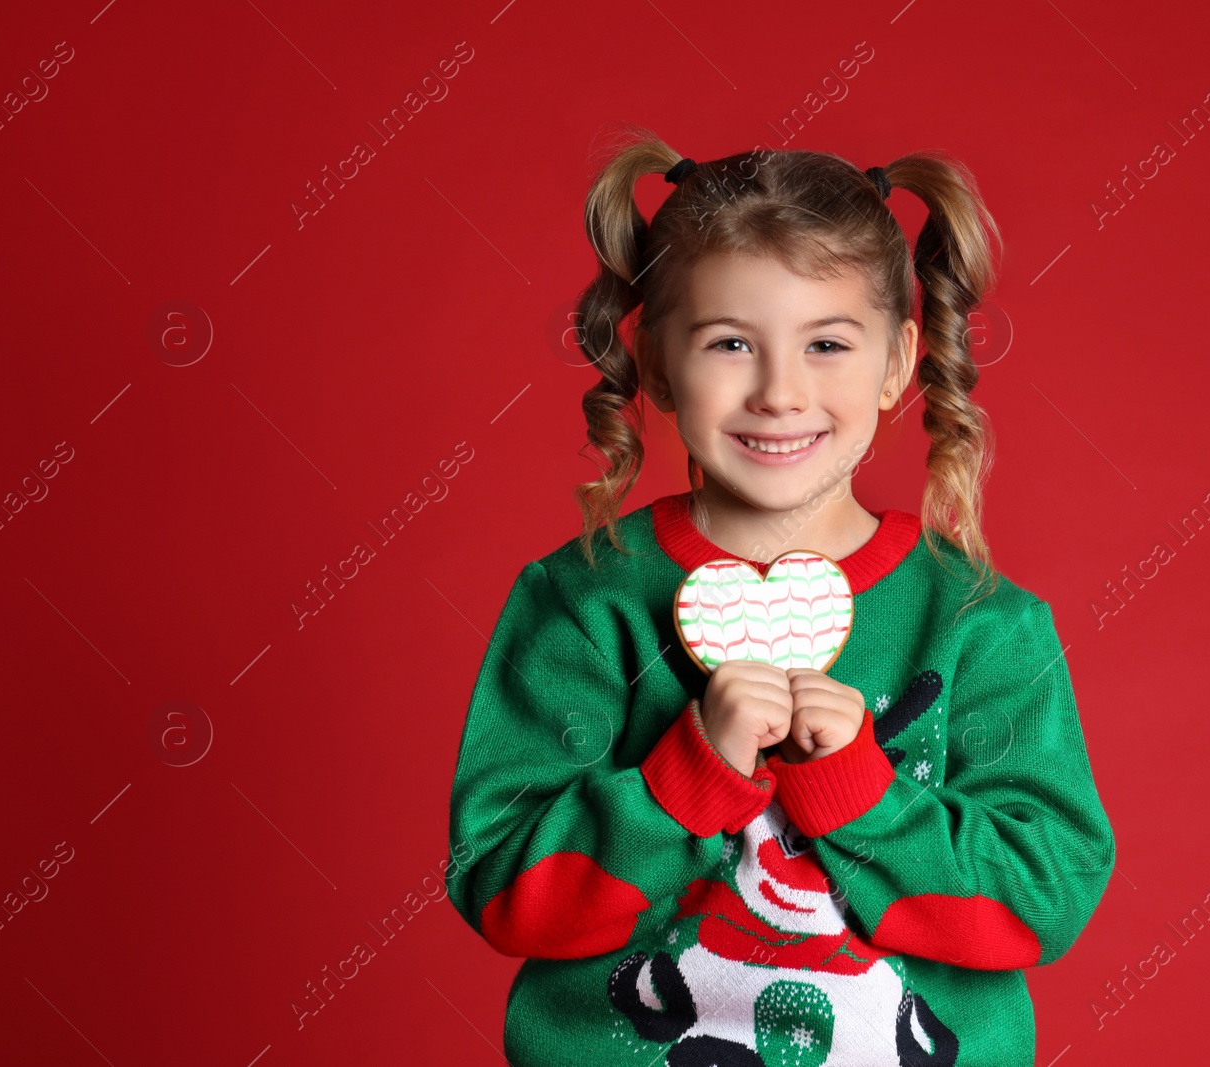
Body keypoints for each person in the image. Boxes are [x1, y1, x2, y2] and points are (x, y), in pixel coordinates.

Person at [445, 125, 1116, 1066]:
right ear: (655, 362)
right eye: (730, 342)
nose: (779, 391)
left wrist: (860, 791)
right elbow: (504, 887)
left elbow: (1043, 900)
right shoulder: (581, 602)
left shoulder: (985, 626)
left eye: (828, 343)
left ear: (897, 363)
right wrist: (687, 777)